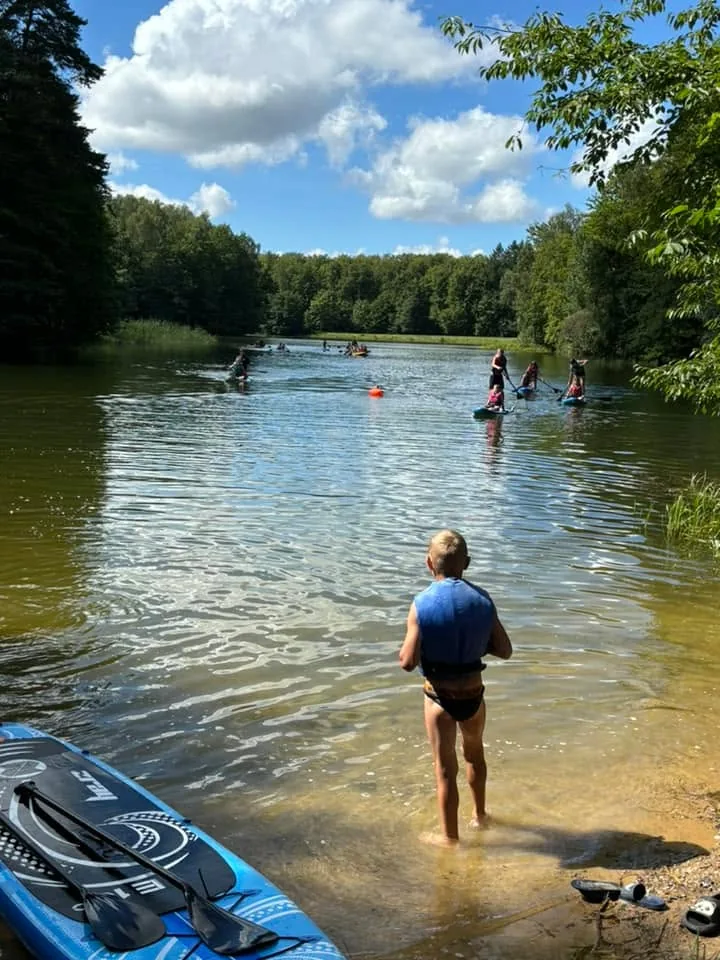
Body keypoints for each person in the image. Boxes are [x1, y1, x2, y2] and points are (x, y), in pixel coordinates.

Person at [399, 530, 512, 846]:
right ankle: (481, 816)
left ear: (428, 563)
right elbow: (505, 650)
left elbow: (407, 662)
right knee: (475, 756)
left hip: (439, 698)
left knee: (445, 769)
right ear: (468, 563)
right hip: (474, 695)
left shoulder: (421, 604)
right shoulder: (483, 600)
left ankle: (450, 839)